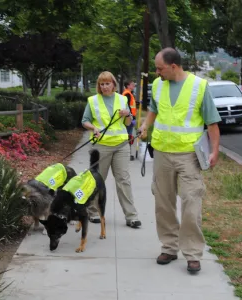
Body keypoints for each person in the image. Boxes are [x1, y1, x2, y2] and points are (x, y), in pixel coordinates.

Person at [139, 48, 221, 273]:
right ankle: (169, 247)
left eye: (159, 68)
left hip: (189, 156)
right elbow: (154, 110)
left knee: (191, 203)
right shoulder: (157, 85)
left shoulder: (198, 86)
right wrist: (146, 125)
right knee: (163, 203)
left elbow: (212, 123)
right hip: (162, 153)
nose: (157, 73)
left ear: (173, 66)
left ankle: (193, 253)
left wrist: (214, 151)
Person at [81, 71, 141, 228]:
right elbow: (85, 121)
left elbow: (128, 123)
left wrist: (128, 114)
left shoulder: (122, 99)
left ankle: (131, 216)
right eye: (102, 84)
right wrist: (93, 127)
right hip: (101, 146)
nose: (105, 86)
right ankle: (93, 212)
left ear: (114, 84)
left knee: (124, 180)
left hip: (121, 145)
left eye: (107, 83)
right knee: (97, 180)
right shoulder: (93, 101)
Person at [122, 80, 137, 161]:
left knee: (129, 135)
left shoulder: (128, 93)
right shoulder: (127, 94)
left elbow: (131, 105)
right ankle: (127, 154)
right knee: (129, 136)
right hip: (129, 118)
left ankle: (127, 153)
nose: (134, 85)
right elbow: (127, 107)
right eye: (132, 84)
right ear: (128, 85)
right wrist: (132, 118)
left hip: (129, 118)